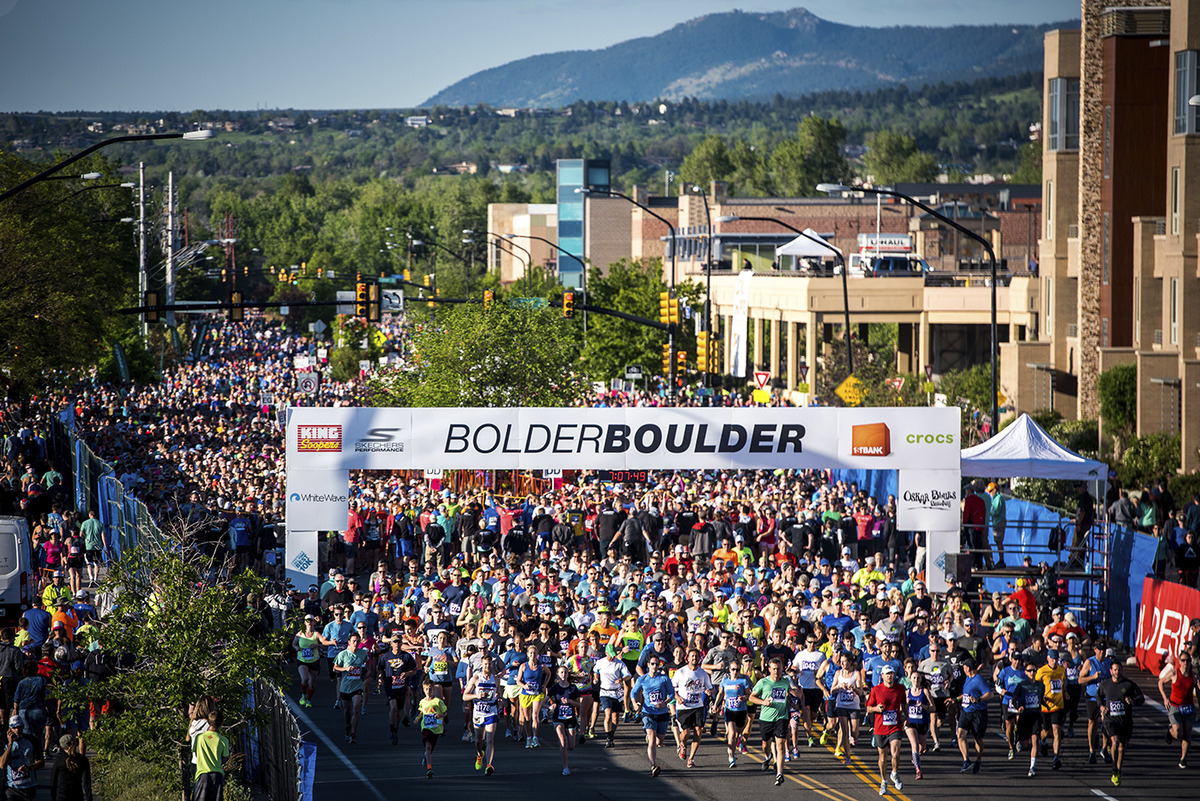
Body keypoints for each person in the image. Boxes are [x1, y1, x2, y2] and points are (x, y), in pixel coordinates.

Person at [1097, 660, 1145, 786]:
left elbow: (1141, 698)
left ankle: (1118, 769)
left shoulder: (1128, 685)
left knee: (1122, 747)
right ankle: (1113, 767)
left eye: (1119, 669)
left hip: (1125, 721)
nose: (1117, 672)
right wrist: (1101, 706)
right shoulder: (1105, 685)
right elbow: (1098, 697)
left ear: (1121, 670)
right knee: (1115, 741)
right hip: (1111, 720)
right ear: (1110, 671)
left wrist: (1132, 700)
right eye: (1114, 669)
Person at [750, 657, 793, 787]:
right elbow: (751, 697)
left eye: (778, 669)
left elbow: (795, 692)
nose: (776, 671)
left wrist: (796, 692)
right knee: (766, 744)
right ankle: (767, 756)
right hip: (766, 718)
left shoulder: (786, 681)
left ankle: (780, 773)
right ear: (769, 669)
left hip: (781, 717)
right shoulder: (763, 682)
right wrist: (763, 702)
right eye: (774, 669)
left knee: (780, 745)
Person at [631, 653, 675, 777]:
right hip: (648, 712)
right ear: (648, 665)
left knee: (659, 740)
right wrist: (635, 703)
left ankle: (652, 737)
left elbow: (671, 694)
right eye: (652, 664)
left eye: (657, 664)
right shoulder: (642, 679)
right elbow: (633, 693)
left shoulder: (664, 678)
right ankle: (653, 765)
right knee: (652, 737)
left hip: (662, 713)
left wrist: (664, 703)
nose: (655, 666)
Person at [865, 664, 905, 795]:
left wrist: (907, 717)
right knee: (883, 757)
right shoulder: (876, 690)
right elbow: (868, 708)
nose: (889, 676)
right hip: (880, 728)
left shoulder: (900, 689)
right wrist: (876, 709)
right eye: (887, 674)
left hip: (895, 726)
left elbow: (903, 703)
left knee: (895, 752)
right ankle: (884, 781)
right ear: (882, 676)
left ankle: (894, 773)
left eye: (891, 673)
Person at [671, 648, 713, 768]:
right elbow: (672, 688)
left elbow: (709, 687)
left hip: (698, 706)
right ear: (688, 658)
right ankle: (682, 745)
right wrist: (677, 697)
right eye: (692, 656)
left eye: (696, 656)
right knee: (685, 733)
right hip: (684, 706)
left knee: (698, 731)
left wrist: (709, 692)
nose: (694, 658)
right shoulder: (681, 672)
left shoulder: (702, 673)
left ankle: (691, 758)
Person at [462, 653, 500, 775]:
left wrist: (498, 699)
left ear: (492, 665)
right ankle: (480, 755)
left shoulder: (496, 679)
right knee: (478, 740)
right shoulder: (476, 678)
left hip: (491, 712)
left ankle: (489, 765)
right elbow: (464, 696)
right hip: (478, 712)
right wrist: (477, 695)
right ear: (481, 665)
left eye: (489, 664)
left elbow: (498, 693)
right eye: (485, 664)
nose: (487, 666)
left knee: (490, 739)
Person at [1157, 651, 1196, 769]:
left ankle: (1183, 759)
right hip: (1175, 706)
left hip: (1188, 707)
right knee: (1179, 733)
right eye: (1183, 661)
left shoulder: (1194, 676)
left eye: (1188, 661)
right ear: (1179, 662)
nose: (1185, 663)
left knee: (1187, 735)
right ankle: (1170, 732)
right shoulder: (1174, 673)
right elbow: (1160, 682)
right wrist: (1165, 698)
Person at [956, 657, 992, 774]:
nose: (963, 668)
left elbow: (990, 694)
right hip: (966, 712)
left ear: (968, 668)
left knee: (978, 738)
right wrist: (955, 699)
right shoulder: (967, 678)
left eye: (964, 666)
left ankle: (978, 759)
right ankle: (966, 760)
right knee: (960, 734)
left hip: (978, 713)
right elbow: (966, 694)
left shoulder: (979, 680)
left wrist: (979, 699)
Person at [716, 657, 752, 768]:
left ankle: (732, 749)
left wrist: (744, 698)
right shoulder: (725, 681)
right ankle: (731, 757)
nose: (735, 672)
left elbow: (749, 695)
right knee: (731, 733)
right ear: (729, 670)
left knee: (737, 734)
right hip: (729, 710)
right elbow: (720, 694)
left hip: (741, 711)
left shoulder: (743, 681)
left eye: (737, 669)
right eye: (733, 669)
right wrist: (716, 705)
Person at [594, 644, 631, 748]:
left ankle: (611, 734)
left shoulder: (620, 663)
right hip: (605, 691)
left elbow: (628, 675)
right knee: (608, 714)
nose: (613, 657)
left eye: (614, 655)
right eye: (610, 655)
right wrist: (596, 678)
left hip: (617, 692)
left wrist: (621, 679)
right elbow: (595, 671)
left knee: (615, 717)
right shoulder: (601, 662)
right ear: (606, 653)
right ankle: (608, 737)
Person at [333, 631, 367, 744]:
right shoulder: (343, 654)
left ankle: (353, 733)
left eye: (358, 641)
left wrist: (368, 672)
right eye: (354, 641)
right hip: (345, 687)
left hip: (357, 686)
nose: (356, 643)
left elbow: (368, 663)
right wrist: (345, 669)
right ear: (349, 642)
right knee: (347, 710)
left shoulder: (363, 653)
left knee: (356, 708)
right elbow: (335, 668)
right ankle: (348, 726)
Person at [547, 663, 581, 775]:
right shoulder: (555, 688)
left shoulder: (573, 688)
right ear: (557, 675)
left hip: (570, 718)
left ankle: (566, 748)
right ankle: (565, 767)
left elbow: (579, 704)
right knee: (562, 741)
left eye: (565, 672)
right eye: (561, 672)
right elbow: (543, 703)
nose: (563, 674)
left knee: (571, 746)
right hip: (558, 718)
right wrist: (549, 706)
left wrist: (571, 702)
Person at [1013, 657, 1045, 777]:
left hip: (1036, 715)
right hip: (1025, 715)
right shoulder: (1021, 685)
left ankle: (1032, 767)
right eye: (1030, 670)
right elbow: (1014, 699)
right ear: (1025, 672)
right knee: (1025, 743)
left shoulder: (1040, 685)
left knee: (1035, 740)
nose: (1032, 673)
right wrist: (1018, 707)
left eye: (1034, 670)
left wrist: (1045, 702)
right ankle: (1018, 740)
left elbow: (1041, 699)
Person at [190, 709, 230, 801]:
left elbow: (195, 753)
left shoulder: (199, 738)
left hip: (202, 775)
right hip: (217, 775)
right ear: (221, 723)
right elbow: (225, 758)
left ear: (208, 721)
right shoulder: (223, 740)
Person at [902, 661, 933, 780]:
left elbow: (933, 707)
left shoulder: (925, 691)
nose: (916, 680)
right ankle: (918, 770)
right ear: (910, 679)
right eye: (914, 678)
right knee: (914, 745)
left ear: (921, 679)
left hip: (923, 722)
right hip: (911, 722)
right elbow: (901, 708)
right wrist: (906, 706)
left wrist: (924, 707)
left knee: (921, 746)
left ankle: (918, 754)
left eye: (918, 678)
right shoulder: (907, 693)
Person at [517, 642, 548, 748]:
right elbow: (518, 681)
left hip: (537, 694)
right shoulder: (523, 666)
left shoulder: (541, 666)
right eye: (531, 653)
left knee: (535, 716)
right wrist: (524, 686)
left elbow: (549, 673)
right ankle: (529, 738)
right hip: (526, 694)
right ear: (528, 654)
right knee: (527, 718)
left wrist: (544, 684)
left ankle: (535, 738)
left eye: (534, 653)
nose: (533, 655)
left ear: (537, 654)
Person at [418, 678, 448, 779]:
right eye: (426, 689)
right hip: (426, 727)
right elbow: (422, 711)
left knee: (431, 748)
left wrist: (440, 716)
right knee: (428, 746)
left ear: (433, 689)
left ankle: (427, 757)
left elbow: (445, 713)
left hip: (436, 728)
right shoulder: (422, 702)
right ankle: (429, 768)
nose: (428, 691)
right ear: (423, 689)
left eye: (430, 689)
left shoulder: (438, 702)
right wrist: (417, 719)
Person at [50, 733, 93, 801]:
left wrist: (53, 797)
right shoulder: (83, 759)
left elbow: (53, 781)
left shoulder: (60, 760)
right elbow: (86, 782)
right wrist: (89, 798)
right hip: (77, 796)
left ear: (62, 747)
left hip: (62, 796)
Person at [292, 615, 322, 708]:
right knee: (305, 679)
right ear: (304, 622)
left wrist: (317, 646)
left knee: (312, 683)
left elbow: (324, 644)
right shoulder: (300, 634)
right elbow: (294, 643)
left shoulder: (317, 634)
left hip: (314, 660)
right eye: (307, 620)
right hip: (302, 660)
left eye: (311, 620)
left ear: (314, 622)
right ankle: (303, 695)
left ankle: (308, 700)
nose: (309, 622)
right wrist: (296, 648)